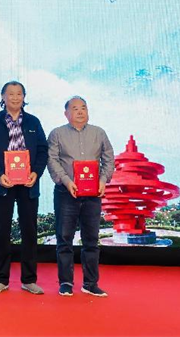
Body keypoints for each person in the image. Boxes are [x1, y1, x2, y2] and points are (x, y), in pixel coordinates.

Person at [0, 81, 48, 295]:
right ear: (3, 97)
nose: (15, 97)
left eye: (19, 94)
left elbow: (43, 150)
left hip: (28, 184)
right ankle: (1, 279)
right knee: (2, 231)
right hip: (2, 184)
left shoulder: (33, 121)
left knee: (29, 231)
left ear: (24, 97)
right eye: (11, 94)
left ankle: (29, 279)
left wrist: (36, 173)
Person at [47, 96, 114, 297]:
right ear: (66, 113)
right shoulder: (57, 134)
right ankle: (66, 282)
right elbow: (52, 160)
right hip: (66, 192)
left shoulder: (99, 133)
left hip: (93, 194)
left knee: (91, 240)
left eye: (83, 108)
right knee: (64, 239)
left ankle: (90, 283)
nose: (80, 112)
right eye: (75, 108)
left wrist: (103, 180)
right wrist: (67, 181)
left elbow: (108, 158)